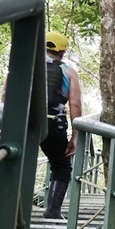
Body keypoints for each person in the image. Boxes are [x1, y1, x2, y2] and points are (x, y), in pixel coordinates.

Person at [41, 30, 83, 219]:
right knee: (61, 166)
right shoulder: (68, 72)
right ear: (63, 51)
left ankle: (11, 210)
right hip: (53, 123)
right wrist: (75, 136)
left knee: (20, 162)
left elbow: (5, 94)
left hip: (25, 123)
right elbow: (75, 104)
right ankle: (52, 211)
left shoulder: (27, 66)